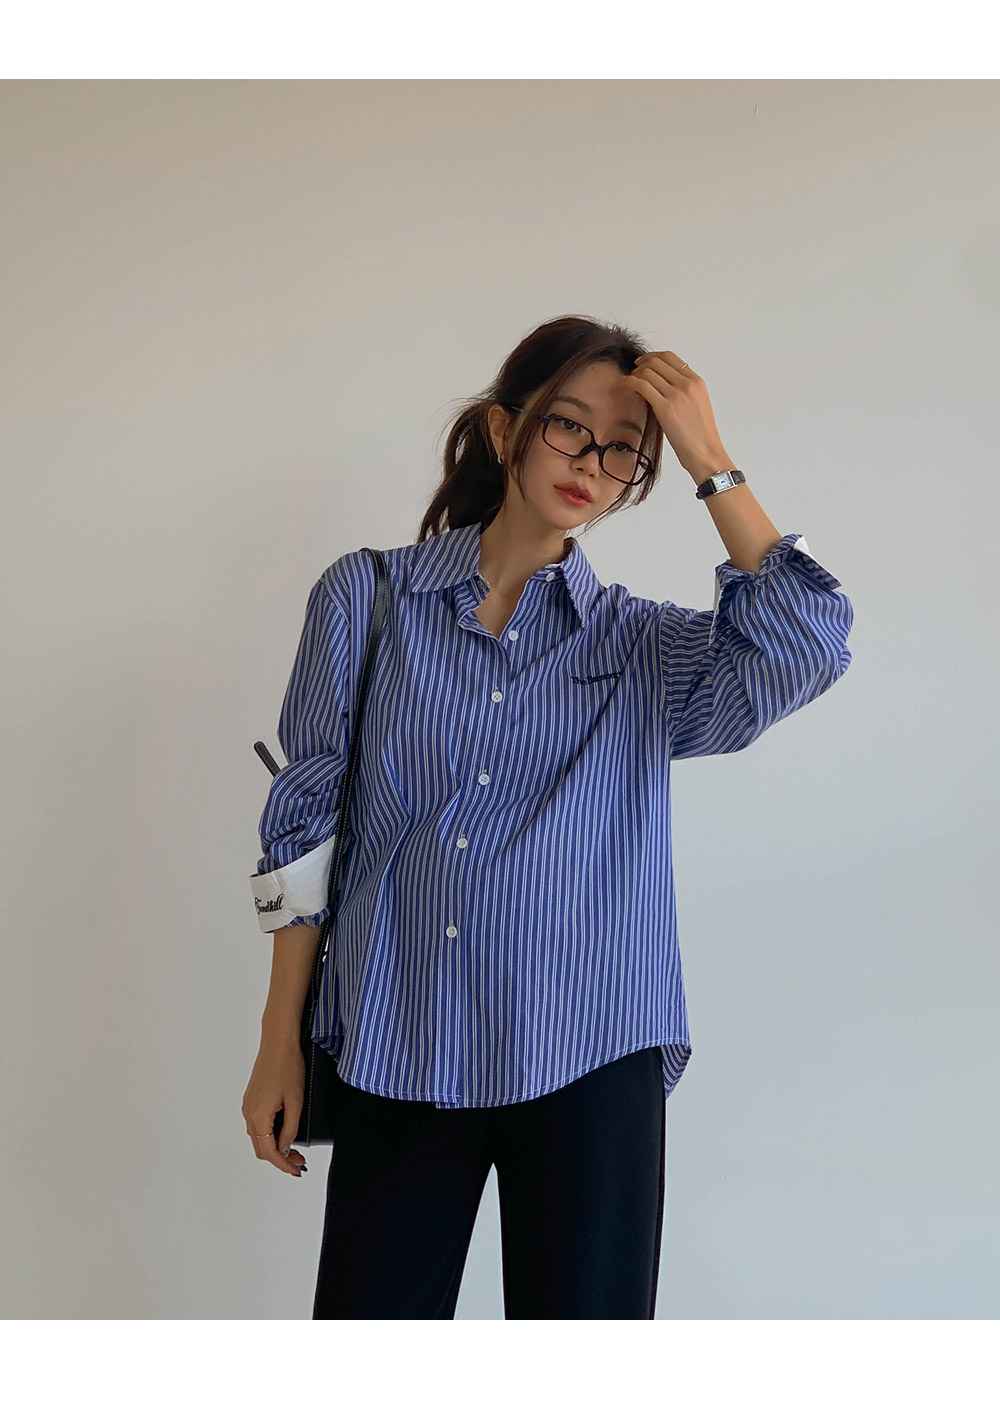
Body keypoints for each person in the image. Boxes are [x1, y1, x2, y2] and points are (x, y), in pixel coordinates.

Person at [241, 314, 854, 1319]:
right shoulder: (366, 599)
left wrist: (709, 459)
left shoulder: (643, 648)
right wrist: (278, 1043)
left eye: (624, 451)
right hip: (403, 1036)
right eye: (570, 426)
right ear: (504, 429)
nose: (592, 464)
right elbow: (303, 831)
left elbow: (808, 644)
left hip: (591, 1051)